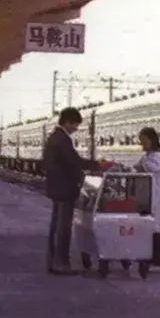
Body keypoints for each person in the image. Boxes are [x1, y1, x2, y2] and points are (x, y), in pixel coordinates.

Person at [43, 108, 95, 274]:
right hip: (64, 189)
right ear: (67, 122)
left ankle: (53, 262)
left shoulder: (54, 137)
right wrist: (98, 165)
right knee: (63, 227)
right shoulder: (62, 139)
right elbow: (74, 161)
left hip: (57, 188)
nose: (76, 129)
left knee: (57, 226)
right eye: (75, 125)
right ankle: (61, 264)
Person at [133, 127, 160, 266]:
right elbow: (136, 166)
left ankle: (157, 259)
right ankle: (148, 256)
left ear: (152, 141)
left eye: (144, 141)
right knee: (148, 227)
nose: (142, 145)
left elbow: (151, 168)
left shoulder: (158, 156)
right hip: (147, 195)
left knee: (155, 228)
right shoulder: (147, 156)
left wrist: (140, 165)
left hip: (155, 196)